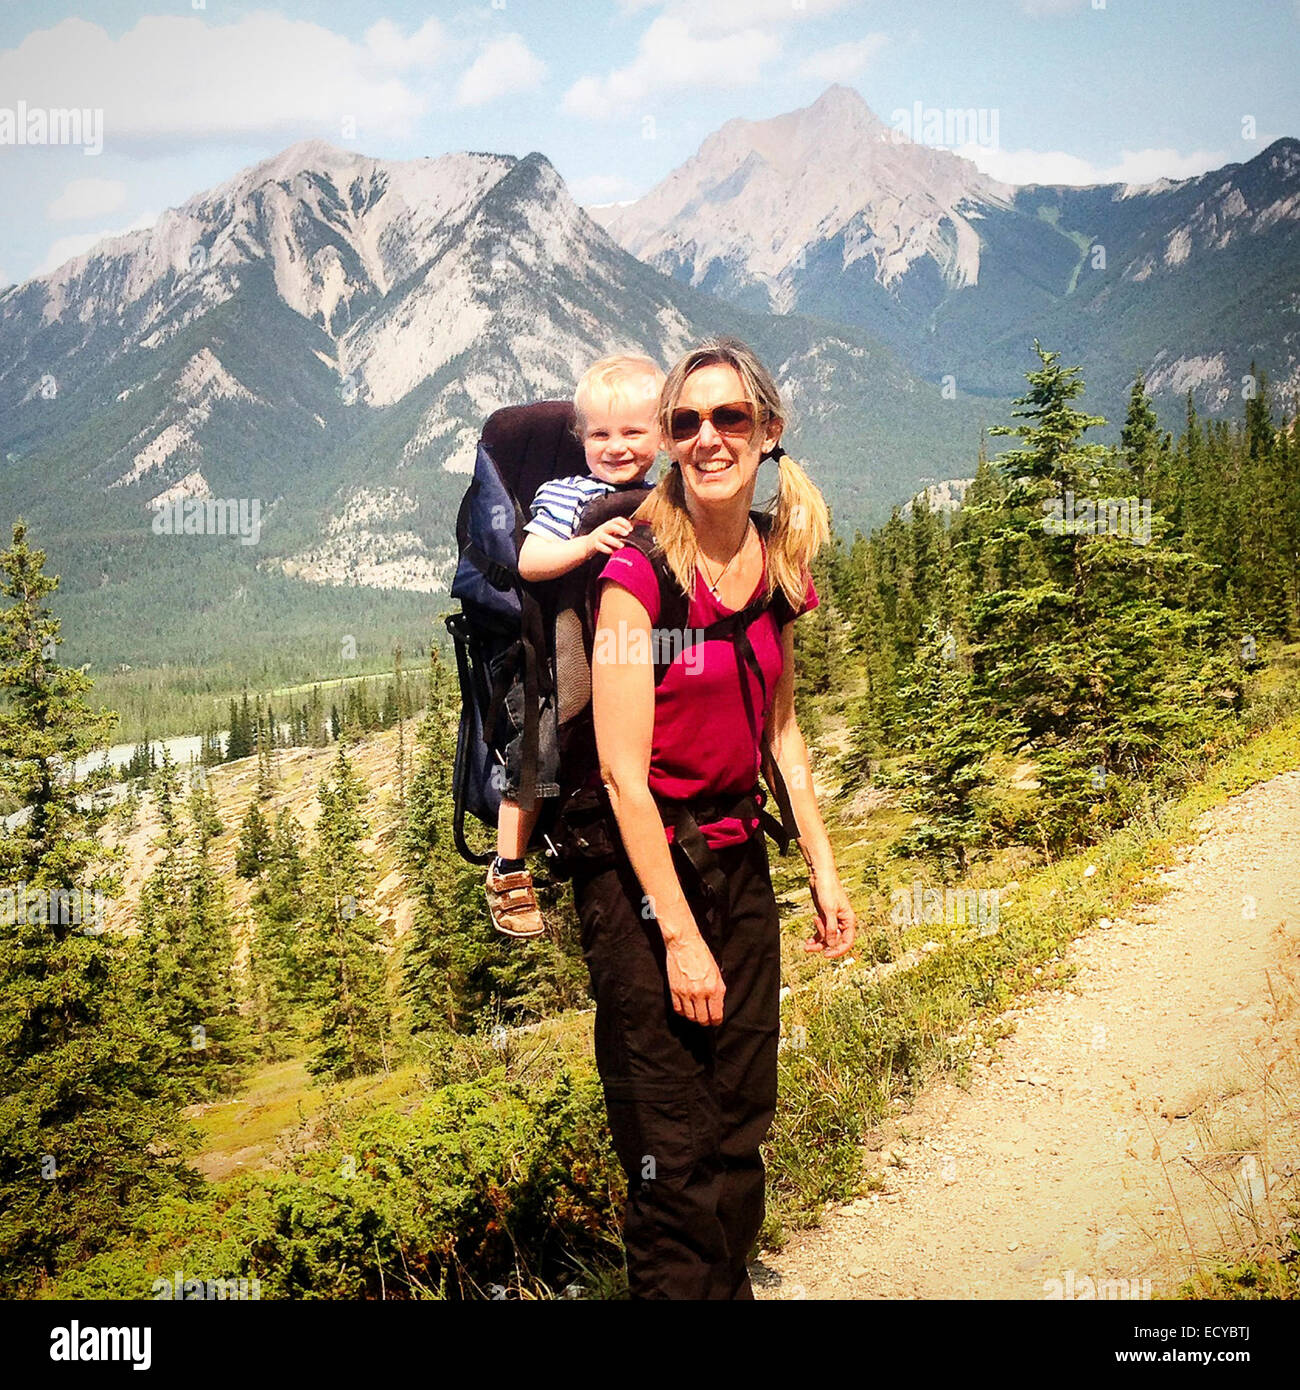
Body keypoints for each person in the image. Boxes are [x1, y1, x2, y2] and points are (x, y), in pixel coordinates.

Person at [573, 336, 857, 1298]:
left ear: (768, 433)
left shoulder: (778, 561)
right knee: (672, 1146)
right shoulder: (637, 584)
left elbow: (780, 727)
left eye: (729, 418)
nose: (707, 438)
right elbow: (621, 775)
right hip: (640, 886)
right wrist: (681, 938)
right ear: (666, 439)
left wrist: (821, 864)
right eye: (686, 422)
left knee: (740, 1118)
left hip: (738, 861)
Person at [484, 353, 666, 939]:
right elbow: (530, 562)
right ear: (581, 440)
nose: (617, 447)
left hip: (636, 653)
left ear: (661, 435)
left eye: (634, 432)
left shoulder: (666, 495)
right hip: (556, 661)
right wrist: (588, 544)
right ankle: (509, 864)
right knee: (538, 746)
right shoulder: (566, 493)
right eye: (601, 434)